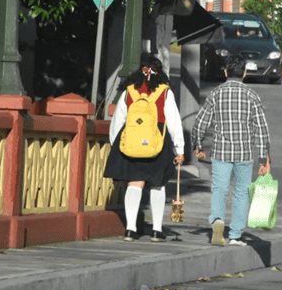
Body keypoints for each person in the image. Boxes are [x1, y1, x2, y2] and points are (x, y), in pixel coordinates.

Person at [104, 53, 185, 242]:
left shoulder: (129, 91)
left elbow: (117, 121)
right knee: (157, 184)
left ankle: (130, 229)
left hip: (132, 141)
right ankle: (156, 230)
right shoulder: (165, 92)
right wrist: (179, 149)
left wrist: (116, 143)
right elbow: (174, 121)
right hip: (158, 140)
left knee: (134, 183)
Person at [192, 54, 271, 247]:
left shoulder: (216, 93)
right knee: (241, 192)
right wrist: (263, 159)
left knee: (219, 188)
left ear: (226, 72)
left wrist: (198, 145)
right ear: (244, 73)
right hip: (244, 154)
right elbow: (262, 129)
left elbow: (200, 122)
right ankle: (235, 234)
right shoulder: (252, 95)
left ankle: (217, 220)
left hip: (221, 152)